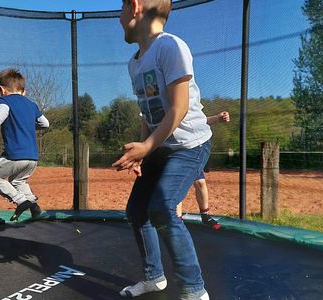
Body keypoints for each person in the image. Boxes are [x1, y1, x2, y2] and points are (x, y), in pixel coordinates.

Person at [113, 1, 211, 299]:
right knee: (136, 211)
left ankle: (195, 290)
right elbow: (147, 112)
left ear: (135, 7)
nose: (118, 18)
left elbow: (179, 108)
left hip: (189, 144)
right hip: (159, 145)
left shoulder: (171, 47)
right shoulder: (135, 62)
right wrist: (142, 151)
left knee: (162, 207)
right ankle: (154, 277)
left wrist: (147, 146)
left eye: (120, 8)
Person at [0, 68, 49, 221]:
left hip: (15, 155)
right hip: (32, 158)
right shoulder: (32, 105)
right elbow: (45, 124)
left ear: (2, 89)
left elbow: (3, 111)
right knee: (19, 181)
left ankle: (21, 201)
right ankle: (33, 204)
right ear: (23, 91)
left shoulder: (5, 100)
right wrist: (29, 126)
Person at [176, 111, 230, 231]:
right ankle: (177, 219)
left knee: (200, 182)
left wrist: (217, 118)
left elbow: (199, 121)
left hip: (193, 152)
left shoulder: (188, 106)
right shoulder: (164, 106)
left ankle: (205, 216)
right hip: (175, 152)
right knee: (178, 186)